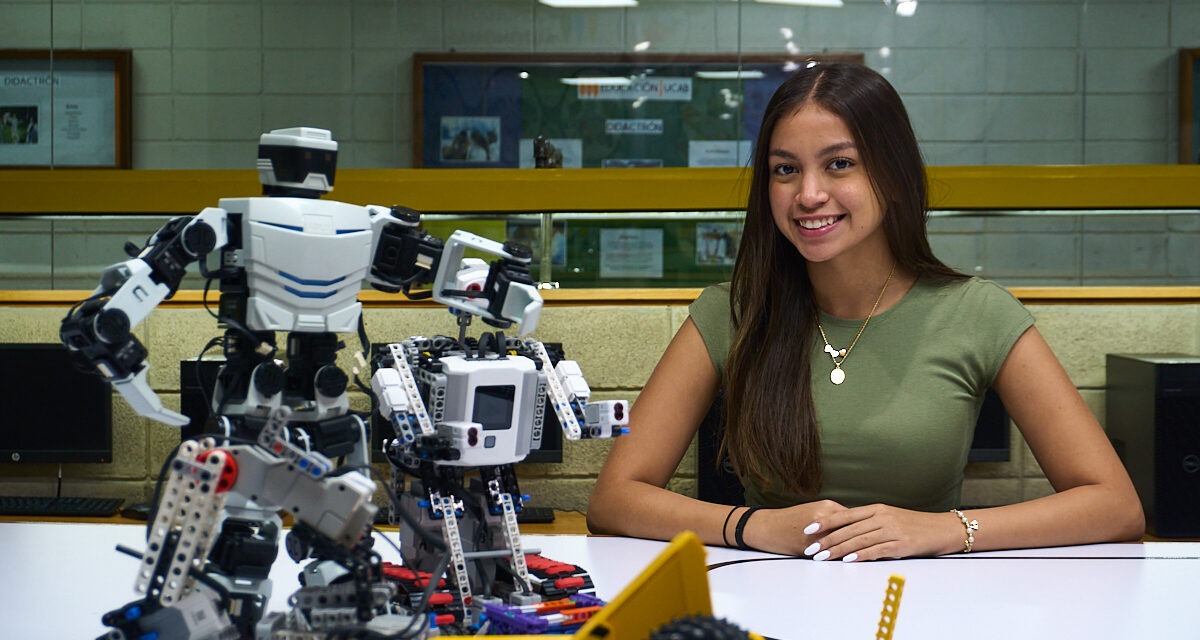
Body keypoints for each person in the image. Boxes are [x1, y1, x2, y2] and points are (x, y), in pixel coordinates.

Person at [586, 62, 1144, 562]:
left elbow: (1115, 508)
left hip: (927, 603)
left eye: (839, 164)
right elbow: (614, 500)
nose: (808, 194)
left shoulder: (978, 313)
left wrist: (945, 530)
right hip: (771, 600)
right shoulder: (733, 312)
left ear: (894, 178)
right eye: (785, 170)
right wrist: (753, 527)